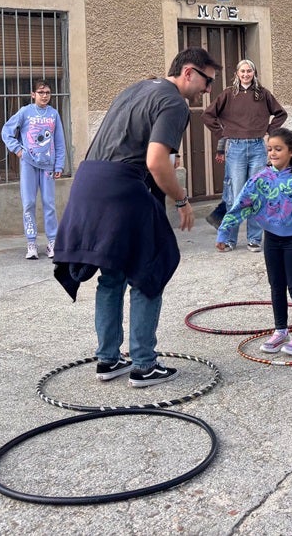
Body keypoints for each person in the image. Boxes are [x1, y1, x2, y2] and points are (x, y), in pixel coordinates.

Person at [52, 47, 218, 388]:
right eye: (207, 81)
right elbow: (156, 161)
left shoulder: (137, 88)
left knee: (112, 273)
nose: (208, 90)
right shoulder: (174, 102)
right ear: (188, 72)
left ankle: (108, 359)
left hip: (89, 182)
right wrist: (182, 200)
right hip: (122, 187)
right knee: (149, 270)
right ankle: (143, 364)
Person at [216, 127, 292, 356]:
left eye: (278, 149)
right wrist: (224, 232)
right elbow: (240, 205)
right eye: (269, 149)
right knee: (276, 286)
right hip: (271, 239)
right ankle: (280, 330)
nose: (272, 153)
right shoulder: (259, 179)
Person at [202, 59, 288, 251]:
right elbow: (208, 115)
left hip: (258, 146)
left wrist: (268, 131)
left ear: (254, 73)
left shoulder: (263, 94)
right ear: (237, 74)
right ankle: (230, 239)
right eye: (242, 71)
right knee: (236, 195)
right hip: (236, 148)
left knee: (256, 193)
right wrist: (222, 134)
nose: (246, 74)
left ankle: (254, 239)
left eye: (249, 71)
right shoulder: (228, 94)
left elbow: (281, 113)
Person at [0, 79, 66, 260]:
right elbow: (6, 132)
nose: (45, 96)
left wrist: (59, 164)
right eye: (41, 92)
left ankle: (52, 242)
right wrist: (18, 150)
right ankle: (31, 243)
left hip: (48, 167)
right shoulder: (25, 112)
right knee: (28, 203)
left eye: (47, 93)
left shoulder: (53, 115)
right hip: (28, 165)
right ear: (33, 94)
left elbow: (59, 141)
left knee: (49, 204)